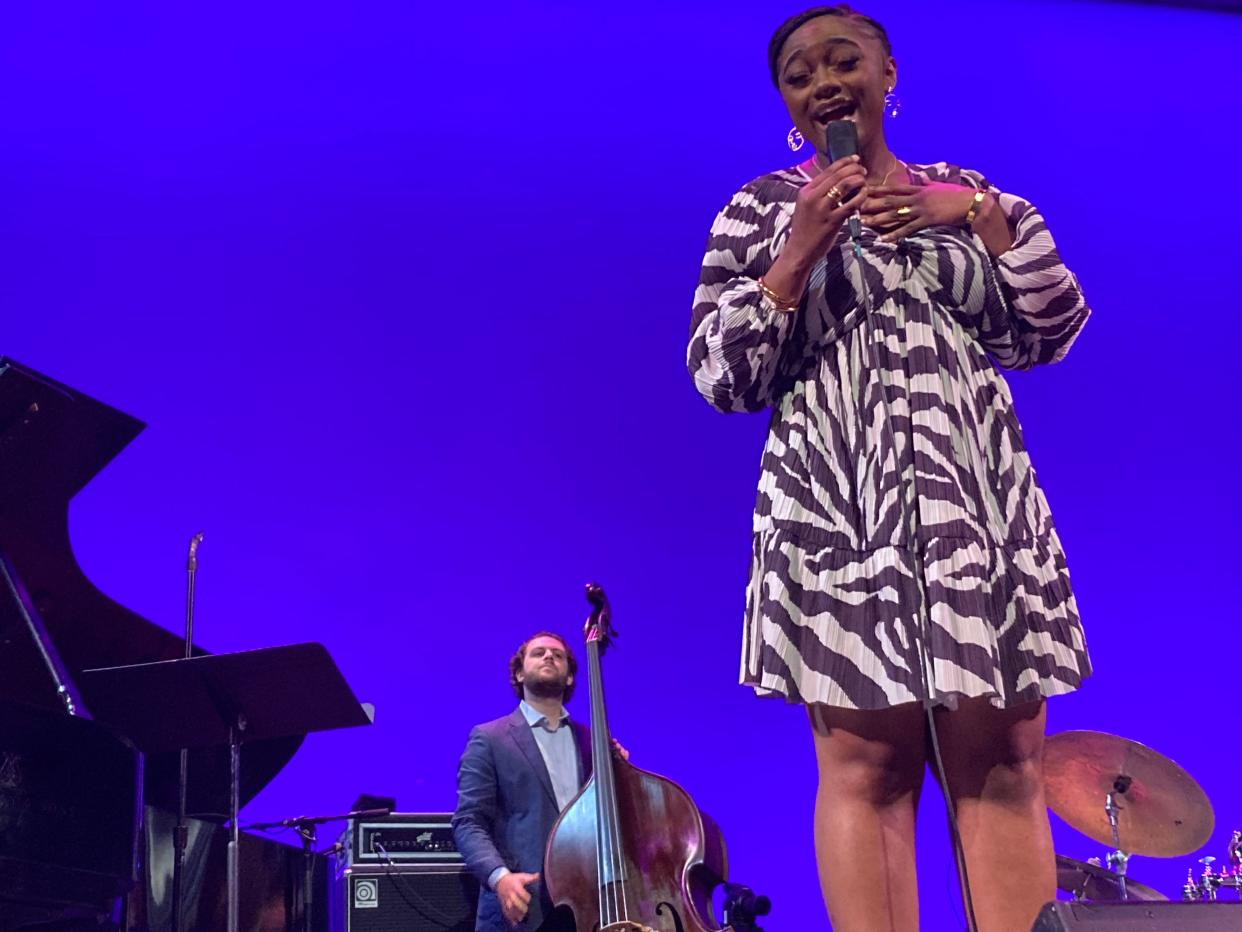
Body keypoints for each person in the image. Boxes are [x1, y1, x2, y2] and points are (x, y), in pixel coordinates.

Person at [686, 6, 1092, 931]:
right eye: (800, 72)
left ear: (888, 73)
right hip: (838, 507)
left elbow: (1050, 328)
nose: (824, 80)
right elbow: (720, 375)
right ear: (787, 101)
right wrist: (795, 253)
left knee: (1006, 760)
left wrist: (978, 217)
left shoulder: (970, 196)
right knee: (869, 767)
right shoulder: (757, 211)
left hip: (973, 506)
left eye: (844, 60)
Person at [452, 632, 590, 932]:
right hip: (524, 908)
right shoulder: (489, 738)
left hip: (589, 906)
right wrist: (500, 877)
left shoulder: (592, 741)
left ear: (569, 678)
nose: (549, 657)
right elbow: (468, 821)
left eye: (558, 654)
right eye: (538, 653)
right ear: (519, 673)